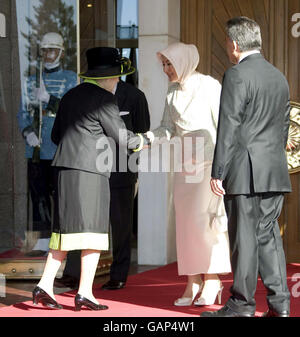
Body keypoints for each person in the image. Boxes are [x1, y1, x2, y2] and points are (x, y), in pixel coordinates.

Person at [32, 47, 149, 311]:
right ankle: (84, 292)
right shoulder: (106, 100)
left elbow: (55, 136)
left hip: (63, 170)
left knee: (64, 233)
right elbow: (125, 140)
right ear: (107, 77)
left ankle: (45, 284)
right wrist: (149, 139)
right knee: (93, 233)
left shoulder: (69, 96)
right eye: (116, 77)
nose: (118, 81)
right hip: (90, 172)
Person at [201, 17, 291, 318]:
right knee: (269, 237)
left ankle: (241, 305)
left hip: (244, 171)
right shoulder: (279, 76)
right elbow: (283, 127)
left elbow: (229, 125)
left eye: (227, 43)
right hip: (274, 170)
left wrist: (218, 171)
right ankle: (280, 306)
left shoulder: (236, 75)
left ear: (235, 45)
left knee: (245, 240)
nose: (228, 48)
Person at [146, 42, 231, 307]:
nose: (166, 69)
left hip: (209, 167)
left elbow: (225, 127)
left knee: (207, 225)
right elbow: (166, 128)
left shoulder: (210, 86)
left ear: (184, 61)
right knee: (185, 227)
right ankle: (193, 280)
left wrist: (224, 167)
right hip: (184, 168)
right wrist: (145, 138)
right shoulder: (172, 92)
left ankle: (213, 279)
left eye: (169, 63)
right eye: (163, 64)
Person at [55, 78, 150, 290]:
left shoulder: (135, 96)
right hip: (89, 170)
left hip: (121, 168)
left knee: (120, 224)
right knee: (80, 222)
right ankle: (72, 273)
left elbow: (142, 129)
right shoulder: (81, 95)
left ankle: (118, 275)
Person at [17, 32, 77, 256]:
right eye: (44, 50)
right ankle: (42, 238)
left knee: (61, 196)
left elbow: (72, 110)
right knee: (38, 195)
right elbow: (22, 111)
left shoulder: (71, 79)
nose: (48, 55)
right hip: (36, 148)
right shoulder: (31, 80)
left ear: (61, 51)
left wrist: (49, 99)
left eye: (52, 50)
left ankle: (61, 238)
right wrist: (27, 131)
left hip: (60, 148)